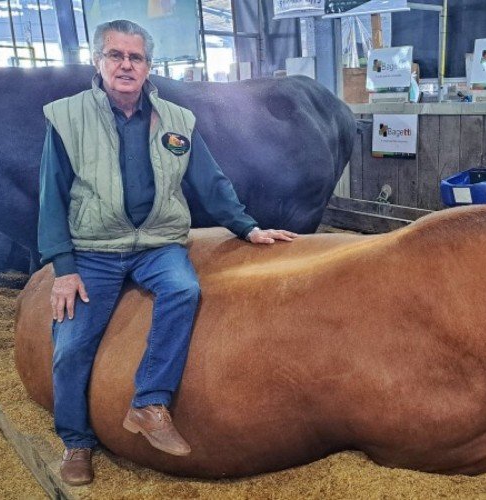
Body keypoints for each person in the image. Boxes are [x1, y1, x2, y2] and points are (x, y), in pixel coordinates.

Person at [38, 19, 296, 486]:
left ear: (148, 66)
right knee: (70, 343)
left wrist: (248, 227)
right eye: (116, 55)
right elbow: (50, 196)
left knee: (183, 289)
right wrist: (64, 267)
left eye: (135, 57)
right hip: (95, 248)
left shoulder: (176, 120)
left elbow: (210, 181)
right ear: (98, 62)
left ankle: (148, 403)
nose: (126, 65)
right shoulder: (67, 117)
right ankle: (76, 442)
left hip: (158, 242)